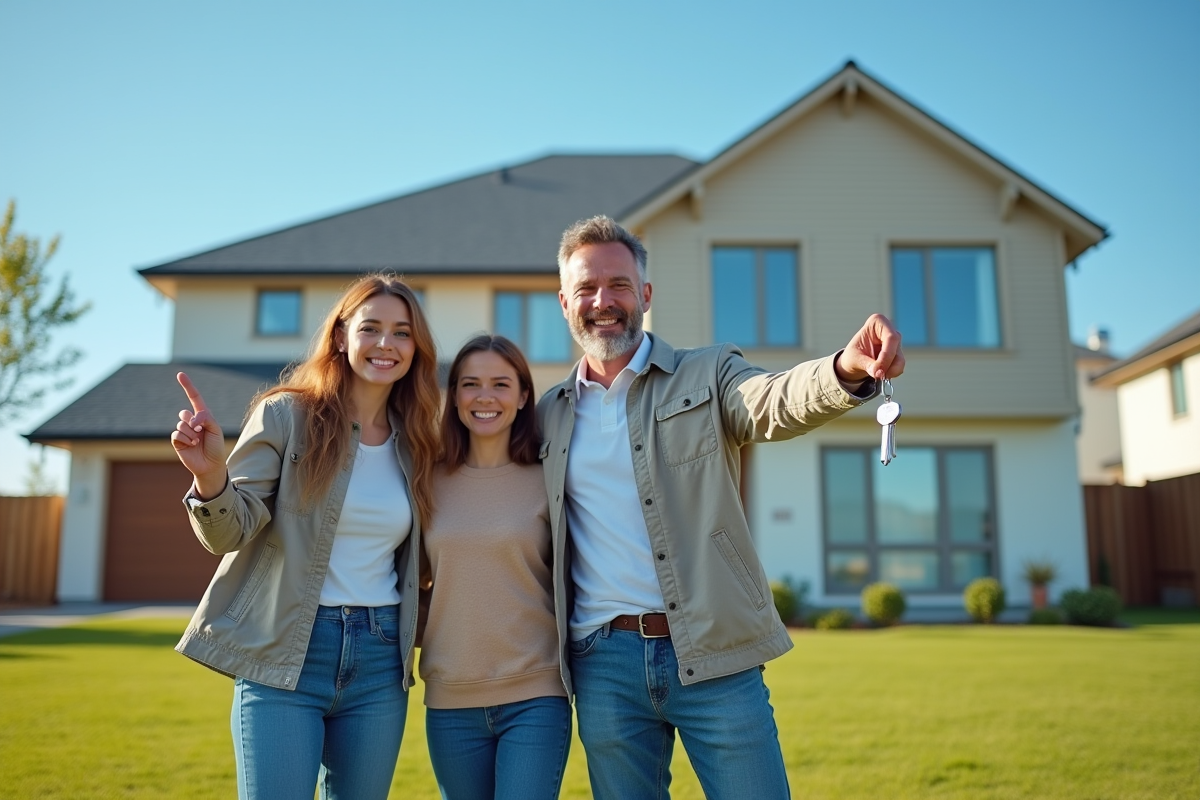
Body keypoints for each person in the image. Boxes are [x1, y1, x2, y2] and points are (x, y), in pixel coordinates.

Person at [536, 216, 906, 799]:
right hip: (603, 665)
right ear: (564, 302)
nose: (603, 301)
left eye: (619, 285)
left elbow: (774, 401)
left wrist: (844, 370)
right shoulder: (548, 416)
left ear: (646, 295)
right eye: (586, 288)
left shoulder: (707, 373)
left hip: (715, 652)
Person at [169, 275, 441, 800]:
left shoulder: (421, 441)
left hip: (381, 659)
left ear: (416, 347)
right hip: (285, 649)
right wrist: (209, 476)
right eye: (371, 328)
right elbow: (228, 532)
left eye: (402, 333)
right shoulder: (286, 415)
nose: (387, 344)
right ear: (341, 336)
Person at [418, 334, 571, 800]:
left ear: (524, 395)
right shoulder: (425, 478)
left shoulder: (550, 478)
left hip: (536, 695)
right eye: (471, 384)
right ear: (455, 395)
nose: (485, 397)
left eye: (501, 384)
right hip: (450, 699)